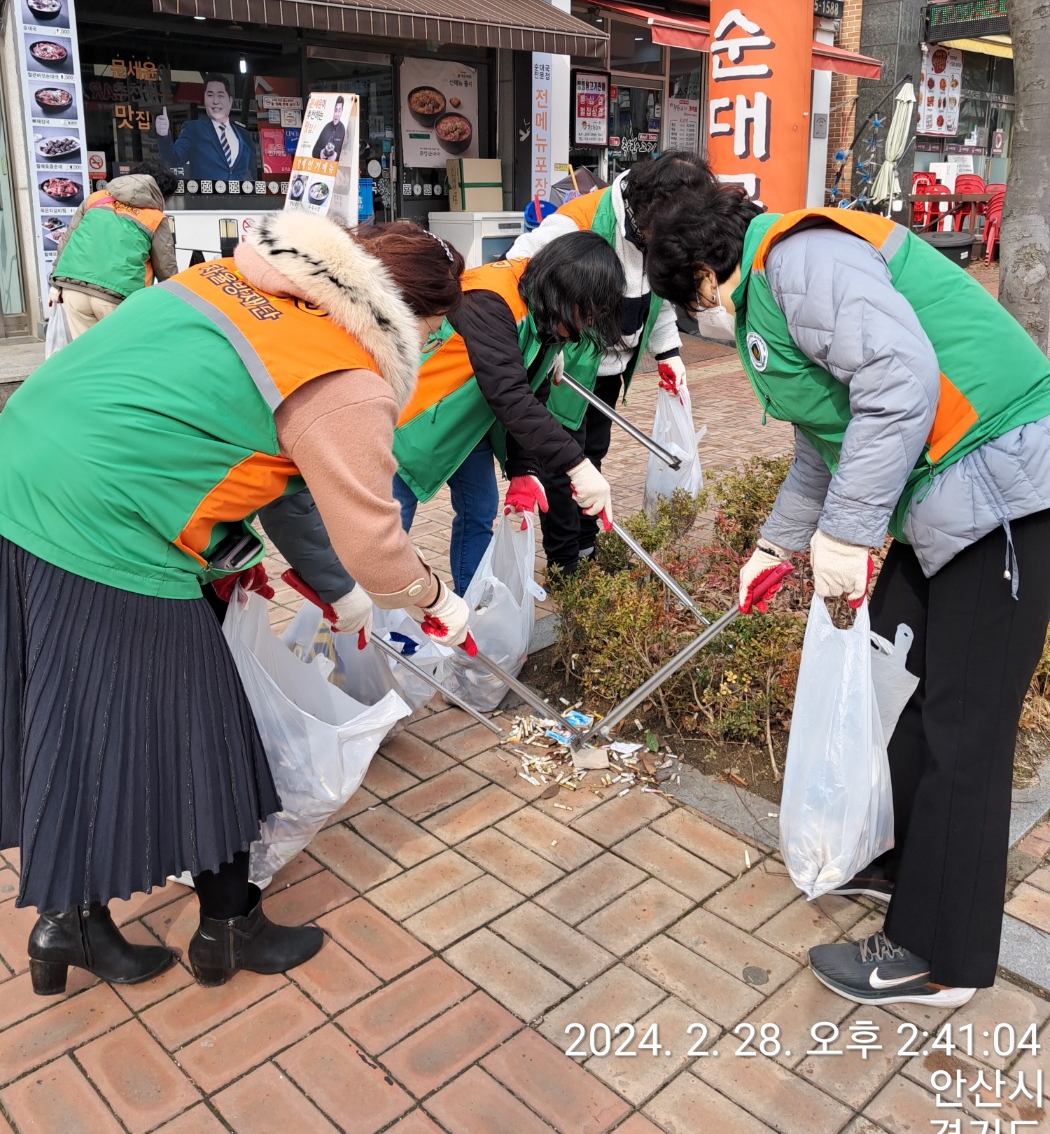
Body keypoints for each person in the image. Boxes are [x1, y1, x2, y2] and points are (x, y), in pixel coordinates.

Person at [0, 213, 471, 994]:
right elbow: (372, 545)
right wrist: (433, 599)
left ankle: (70, 921)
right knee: (209, 743)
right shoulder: (344, 374)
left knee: (64, 722)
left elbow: (201, 430)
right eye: (439, 330)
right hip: (105, 531)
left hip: (10, 486)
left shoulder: (232, 280)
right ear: (409, 317)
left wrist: (228, 555)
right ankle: (226, 932)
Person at [647, 189, 1050, 1009]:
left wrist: (850, 536)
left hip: (1006, 494)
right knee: (906, 695)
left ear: (702, 274)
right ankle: (906, 862)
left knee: (964, 735)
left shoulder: (801, 260)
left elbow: (900, 383)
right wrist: (776, 545)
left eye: (689, 306)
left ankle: (938, 959)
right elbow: (823, 444)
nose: (697, 323)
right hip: (952, 499)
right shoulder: (773, 292)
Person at [507, 151, 714, 576]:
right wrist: (548, 346)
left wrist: (669, 356)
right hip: (564, 373)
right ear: (647, 211)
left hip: (608, 372)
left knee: (593, 457)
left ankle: (586, 547)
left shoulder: (659, 234)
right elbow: (518, 271)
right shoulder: (577, 221)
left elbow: (658, 302)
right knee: (564, 465)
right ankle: (566, 563)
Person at [393, 232, 625, 593]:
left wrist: (524, 470)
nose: (586, 326)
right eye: (587, 313)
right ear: (569, 291)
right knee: (386, 533)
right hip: (407, 429)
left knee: (478, 513)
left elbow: (534, 392)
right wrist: (577, 465)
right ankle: (352, 637)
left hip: (466, 430)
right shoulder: (490, 299)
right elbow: (510, 397)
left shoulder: (545, 308)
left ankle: (475, 606)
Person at [49, 161, 179, 338]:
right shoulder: (155, 217)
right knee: (121, 355)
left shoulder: (95, 199)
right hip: (118, 296)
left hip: (74, 289)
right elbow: (166, 268)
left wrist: (55, 284)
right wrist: (175, 300)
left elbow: (66, 241)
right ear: (160, 193)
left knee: (88, 354)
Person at [155, 73, 257, 182]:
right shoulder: (194, 130)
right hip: (206, 198)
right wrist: (164, 135)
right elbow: (173, 160)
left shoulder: (243, 135)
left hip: (242, 198)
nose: (215, 101)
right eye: (210, 95)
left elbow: (254, 173)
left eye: (220, 95)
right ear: (204, 99)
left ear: (230, 101)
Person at [312, 96, 346, 163]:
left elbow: (347, 155)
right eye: (335, 110)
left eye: (339, 111)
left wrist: (336, 156)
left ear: (342, 111)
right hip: (323, 169)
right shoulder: (327, 127)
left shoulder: (343, 129)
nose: (336, 114)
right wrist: (320, 153)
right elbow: (314, 151)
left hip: (336, 170)